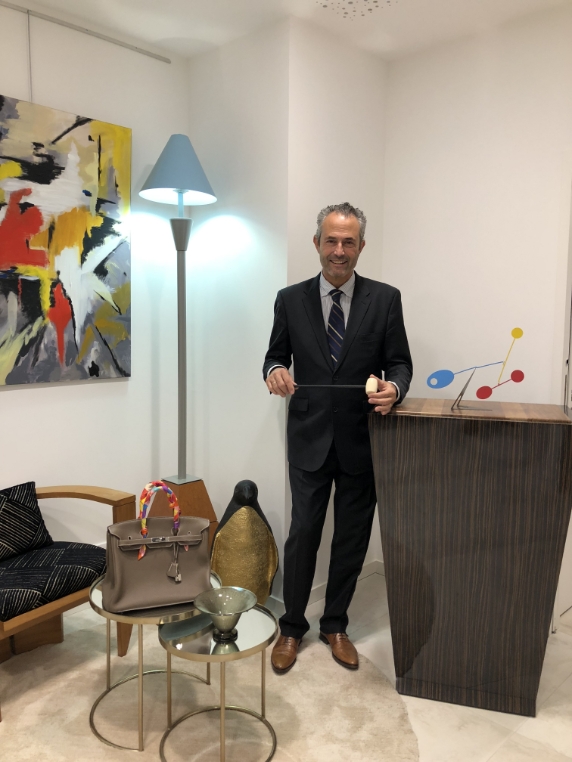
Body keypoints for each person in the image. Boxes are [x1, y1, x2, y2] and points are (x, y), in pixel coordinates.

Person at [263, 202, 412, 673]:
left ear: (361, 246)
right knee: (303, 534)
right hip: (308, 439)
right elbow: (274, 355)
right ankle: (291, 627)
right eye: (331, 240)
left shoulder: (385, 299)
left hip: (362, 440)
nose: (339, 251)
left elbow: (400, 363)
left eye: (349, 242)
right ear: (317, 243)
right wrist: (275, 371)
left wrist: (395, 389)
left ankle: (335, 624)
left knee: (351, 537)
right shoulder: (290, 299)